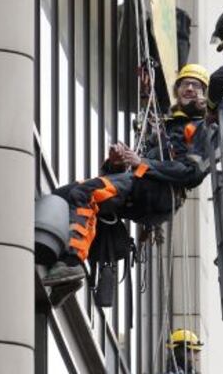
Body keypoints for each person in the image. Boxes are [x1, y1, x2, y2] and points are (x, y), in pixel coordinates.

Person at [43, 64, 211, 287]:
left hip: (159, 194)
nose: (189, 88)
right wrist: (116, 163)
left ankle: (72, 263)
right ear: (177, 89)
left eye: (196, 86)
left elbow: (192, 173)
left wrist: (142, 163)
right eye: (185, 84)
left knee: (85, 192)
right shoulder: (163, 128)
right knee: (63, 195)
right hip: (141, 188)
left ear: (205, 94)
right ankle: (61, 269)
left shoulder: (203, 128)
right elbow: (127, 175)